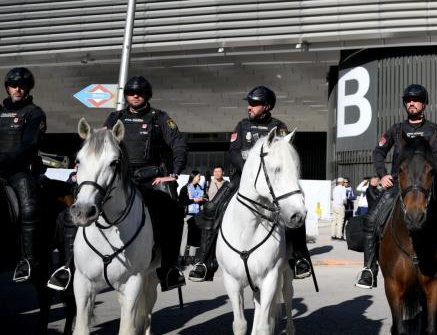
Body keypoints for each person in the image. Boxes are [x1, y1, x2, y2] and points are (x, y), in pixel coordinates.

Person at [49, 76, 187, 291]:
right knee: (76, 208)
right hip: (116, 177)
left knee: (173, 209)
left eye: (140, 92)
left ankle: (169, 268)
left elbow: (178, 143)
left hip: (149, 178)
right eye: (131, 92)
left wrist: (175, 173)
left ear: (147, 95)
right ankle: (67, 267)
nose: (135, 96)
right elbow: (99, 145)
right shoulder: (115, 117)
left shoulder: (159, 118)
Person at [355, 84, 437, 289]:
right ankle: (369, 269)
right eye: (408, 100)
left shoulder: (433, 130)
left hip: (428, 185)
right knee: (372, 219)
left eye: (416, 100)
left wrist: (431, 177)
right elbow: (378, 153)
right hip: (398, 186)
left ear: (424, 104)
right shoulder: (396, 129)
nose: (411, 103)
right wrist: (383, 175)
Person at [187, 86, 312, 282]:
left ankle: (298, 258)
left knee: (294, 210)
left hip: (270, 182)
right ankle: (204, 261)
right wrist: (248, 170)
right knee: (212, 207)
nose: (249, 107)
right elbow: (233, 152)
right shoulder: (242, 125)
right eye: (249, 103)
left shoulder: (279, 127)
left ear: (267, 106)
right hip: (242, 180)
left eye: (254, 104)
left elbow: (285, 156)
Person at [0, 67, 47, 283]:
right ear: (7, 88)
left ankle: (27, 260)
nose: (17, 89)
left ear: (28, 88)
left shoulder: (34, 112)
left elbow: (29, 145)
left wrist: (4, 160)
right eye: (13, 85)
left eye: (22, 86)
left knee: (29, 209)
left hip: (19, 171)